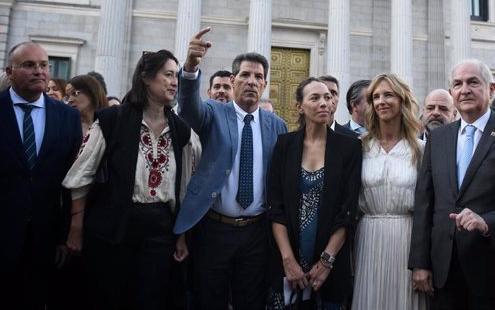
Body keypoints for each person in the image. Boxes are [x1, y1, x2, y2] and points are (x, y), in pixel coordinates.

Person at [63, 50, 198, 310]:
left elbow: (184, 187)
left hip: (160, 231)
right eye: (168, 74)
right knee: (108, 297)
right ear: (146, 78)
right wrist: (76, 229)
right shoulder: (113, 119)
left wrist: (182, 235)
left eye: (176, 76)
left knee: (150, 298)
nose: (174, 82)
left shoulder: (181, 130)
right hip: (113, 228)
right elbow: (81, 177)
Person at [0, 41, 82, 310]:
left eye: (44, 65)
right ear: (9, 72)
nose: (39, 71)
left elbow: (70, 183)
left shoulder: (67, 117)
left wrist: (63, 237)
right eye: (29, 65)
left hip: (42, 247)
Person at [410, 59, 495, 309]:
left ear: (491, 89)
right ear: (452, 93)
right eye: (458, 84)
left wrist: (488, 223)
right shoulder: (438, 138)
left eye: (473, 82)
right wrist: (420, 262)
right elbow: (425, 203)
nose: (464, 90)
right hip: (443, 271)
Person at [173, 27, 287, 310]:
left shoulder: (277, 126)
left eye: (258, 76)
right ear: (234, 81)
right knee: (209, 299)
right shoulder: (214, 112)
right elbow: (188, 109)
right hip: (214, 230)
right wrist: (190, 68)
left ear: (265, 84)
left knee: (250, 301)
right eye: (245, 75)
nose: (251, 81)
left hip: (256, 233)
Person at [267, 77, 361, 309]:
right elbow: (275, 207)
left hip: (331, 258)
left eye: (328, 98)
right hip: (286, 257)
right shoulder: (284, 145)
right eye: (315, 98)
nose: (324, 103)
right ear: (299, 106)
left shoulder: (349, 147)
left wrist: (327, 261)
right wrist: (288, 260)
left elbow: (347, 210)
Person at [352, 73, 427, 310]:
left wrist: (423, 262)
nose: (381, 101)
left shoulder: (421, 149)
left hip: (407, 239)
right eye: (376, 97)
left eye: (388, 95)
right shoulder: (359, 147)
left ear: (402, 101)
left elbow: (428, 207)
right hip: (367, 238)